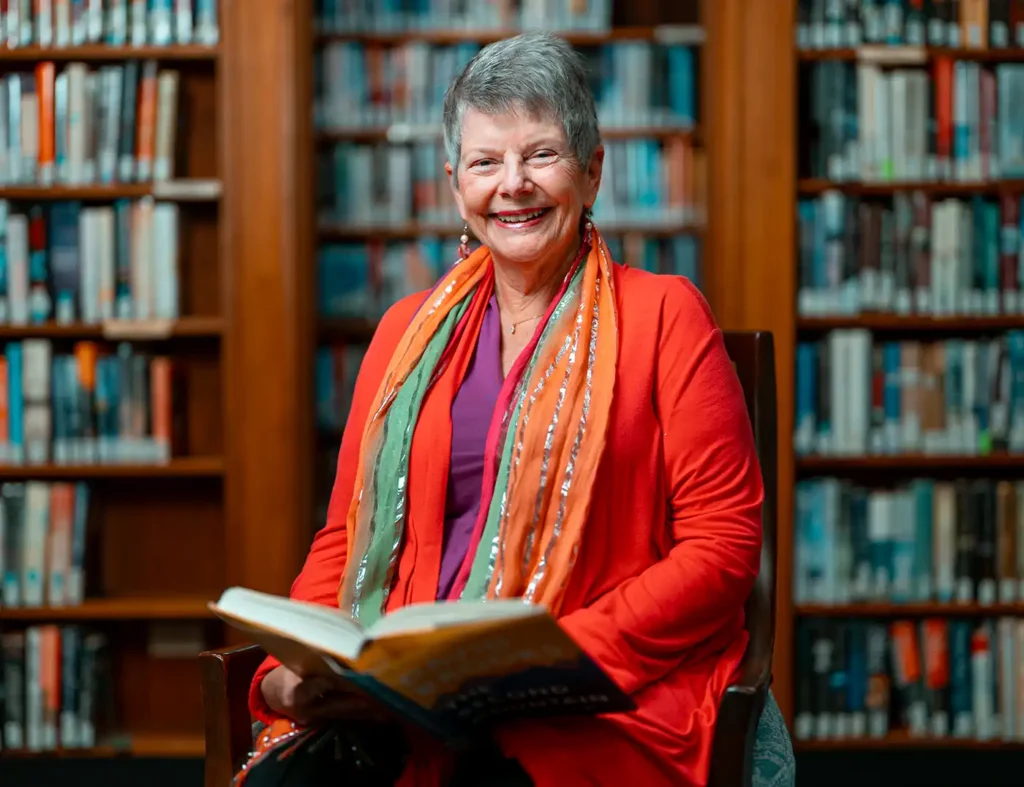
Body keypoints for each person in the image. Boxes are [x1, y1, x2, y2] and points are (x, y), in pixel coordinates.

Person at [240, 31, 768, 787]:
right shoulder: (401, 332)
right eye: (487, 162)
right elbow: (342, 539)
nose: (512, 184)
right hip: (397, 696)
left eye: (541, 155)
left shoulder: (666, 316)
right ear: (458, 185)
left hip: (580, 701)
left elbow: (720, 549)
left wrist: (543, 656)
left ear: (592, 173)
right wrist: (291, 670)